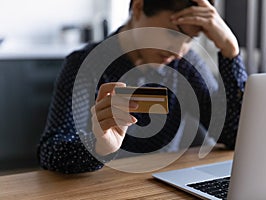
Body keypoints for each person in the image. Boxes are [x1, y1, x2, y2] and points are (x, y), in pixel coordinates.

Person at [38, 0, 248, 174]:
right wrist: (100, 147)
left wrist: (230, 52)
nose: (179, 51)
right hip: (99, 188)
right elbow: (51, 150)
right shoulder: (84, 64)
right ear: (138, 8)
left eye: (189, 40)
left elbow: (232, 135)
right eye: (174, 34)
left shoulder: (185, 65)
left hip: (161, 186)